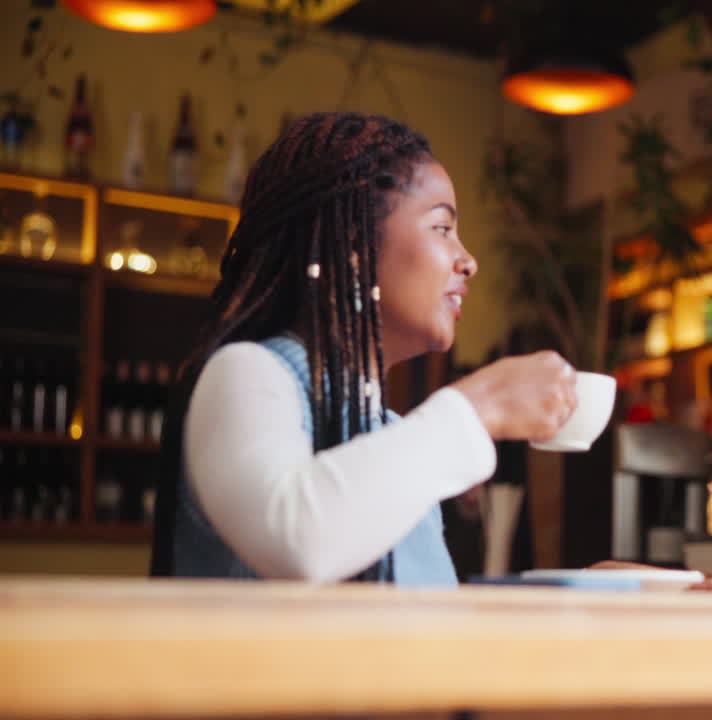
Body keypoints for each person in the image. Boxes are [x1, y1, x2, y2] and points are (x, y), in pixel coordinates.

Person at [150, 112, 579, 584]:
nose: (468, 260)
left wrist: (585, 593)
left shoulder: (390, 435)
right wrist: (482, 407)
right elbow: (297, 540)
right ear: (355, 244)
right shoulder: (244, 373)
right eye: (442, 228)